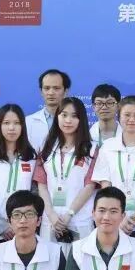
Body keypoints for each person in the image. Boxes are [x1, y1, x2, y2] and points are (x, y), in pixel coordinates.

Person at [93, 96, 135, 260]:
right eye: (127, 115)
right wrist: (118, 218)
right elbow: (106, 186)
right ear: (119, 116)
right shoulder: (107, 147)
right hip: (114, 223)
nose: (132, 119)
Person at [34, 97, 96, 245]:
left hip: (79, 220)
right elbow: (42, 185)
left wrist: (69, 214)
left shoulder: (92, 149)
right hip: (51, 221)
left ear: (81, 120)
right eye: (64, 115)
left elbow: (90, 186)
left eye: (74, 116)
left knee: (79, 259)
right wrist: (51, 214)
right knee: (51, 258)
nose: (68, 120)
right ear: (57, 117)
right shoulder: (46, 147)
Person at [0, 104, 37, 250]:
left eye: (16, 123)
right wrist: (2, 226)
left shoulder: (32, 157)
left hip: (23, 230)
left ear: (23, 126)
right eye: (6, 123)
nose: (11, 128)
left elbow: (34, 193)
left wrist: (23, 222)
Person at [27, 69, 70, 152]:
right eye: (46, 88)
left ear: (65, 91)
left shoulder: (75, 121)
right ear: (41, 91)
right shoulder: (28, 122)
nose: (51, 93)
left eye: (56, 88)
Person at [90, 83, 122, 148]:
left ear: (118, 106)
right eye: (99, 103)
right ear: (93, 106)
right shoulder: (87, 136)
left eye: (109, 103)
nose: (104, 107)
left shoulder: (127, 135)